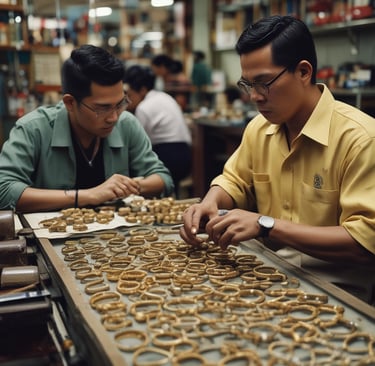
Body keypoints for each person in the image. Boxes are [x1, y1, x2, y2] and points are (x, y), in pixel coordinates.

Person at [180, 15, 375, 304]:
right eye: (247, 84)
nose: (255, 97)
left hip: (338, 295)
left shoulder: (360, 139)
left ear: (304, 72)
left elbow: (365, 242)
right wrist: (211, 200)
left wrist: (265, 225)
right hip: (267, 276)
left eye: (264, 83)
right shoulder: (259, 129)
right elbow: (234, 181)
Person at [0, 44, 174, 213]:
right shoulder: (34, 129)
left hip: (117, 237)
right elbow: (4, 190)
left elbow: (163, 178)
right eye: (102, 108)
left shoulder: (126, 123)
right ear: (70, 102)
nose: (114, 118)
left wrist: (126, 187)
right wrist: (87, 195)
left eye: (120, 104)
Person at [123, 65, 192, 197]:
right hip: (185, 152)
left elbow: (140, 141)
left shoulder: (143, 107)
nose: (128, 100)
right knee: (172, 191)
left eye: (130, 94)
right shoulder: (164, 96)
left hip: (168, 153)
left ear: (142, 90)